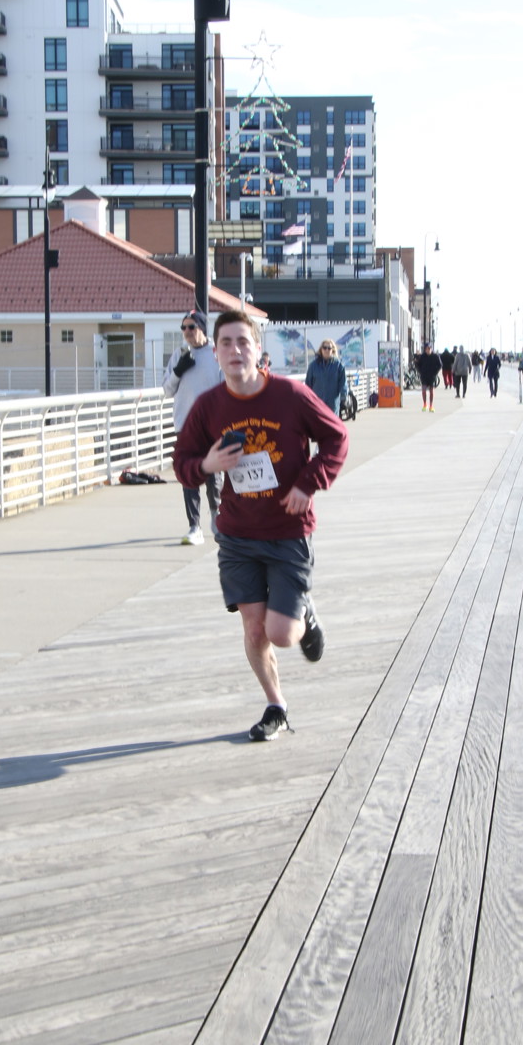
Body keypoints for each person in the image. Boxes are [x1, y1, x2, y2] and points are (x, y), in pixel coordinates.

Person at [173, 310, 348, 741]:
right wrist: (207, 464)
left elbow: (336, 438)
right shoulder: (208, 407)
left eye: (243, 342)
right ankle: (276, 705)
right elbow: (182, 463)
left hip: (288, 529)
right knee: (254, 628)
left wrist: (309, 482)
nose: (235, 350)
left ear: (257, 349)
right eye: (226, 343)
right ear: (215, 354)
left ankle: (303, 611)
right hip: (237, 534)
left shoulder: (290, 395)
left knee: (281, 634)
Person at [162, 310, 223, 545]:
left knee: (213, 475)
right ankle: (194, 526)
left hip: (210, 426)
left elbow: (224, 388)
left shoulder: (216, 353)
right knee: (188, 475)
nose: (187, 332)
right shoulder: (179, 354)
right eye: (183, 328)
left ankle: (216, 517)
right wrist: (178, 371)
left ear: (202, 329)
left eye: (191, 327)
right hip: (184, 424)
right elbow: (167, 390)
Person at [305, 338, 348, 415]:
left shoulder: (338, 365)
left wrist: (344, 399)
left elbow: (343, 383)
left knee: (331, 422)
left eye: (329, 348)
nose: (327, 350)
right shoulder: (313, 366)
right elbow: (308, 384)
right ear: (321, 349)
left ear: (333, 350)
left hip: (333, 404)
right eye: (324, 348)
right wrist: (307, 399)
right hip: (317, 403)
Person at [415, 341, 442, 412]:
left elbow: (440, 365)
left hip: (432, 376)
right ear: (425, 349)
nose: (428, 350)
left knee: (431, 391)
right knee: (424, 390)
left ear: (431, 349)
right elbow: (418, 365)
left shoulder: (435, 356)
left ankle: (431, 406)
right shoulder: (422, 356)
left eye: (429, 348)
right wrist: (420, 371)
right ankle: (424, 404)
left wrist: (435, 372)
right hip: (424, 375)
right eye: (427, 349)